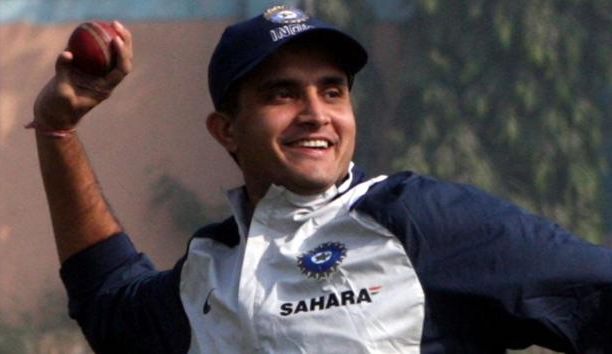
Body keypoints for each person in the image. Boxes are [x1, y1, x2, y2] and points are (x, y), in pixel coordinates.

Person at [30, 5, 612, 354]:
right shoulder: (210, 267)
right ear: (226, 131)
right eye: (281, 93)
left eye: (332, 90)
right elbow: (108, 302)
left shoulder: (420, 220)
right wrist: (57, 130)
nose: (317, 113)